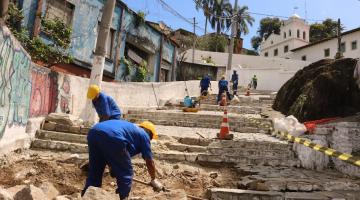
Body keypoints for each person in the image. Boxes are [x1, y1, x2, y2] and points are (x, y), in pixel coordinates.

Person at [81, 120, 163, 200]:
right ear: (150, 133)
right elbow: (149, 161)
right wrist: (153, 179)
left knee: (95, 171)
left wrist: (113, 166)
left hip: (93, 132)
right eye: (151, 138)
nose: (150, 140)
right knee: (126, 172)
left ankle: (86, 196)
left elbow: (112, 153)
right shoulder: (144, 135)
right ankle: (124, 197)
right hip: (113, 136)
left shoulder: (130, 131)